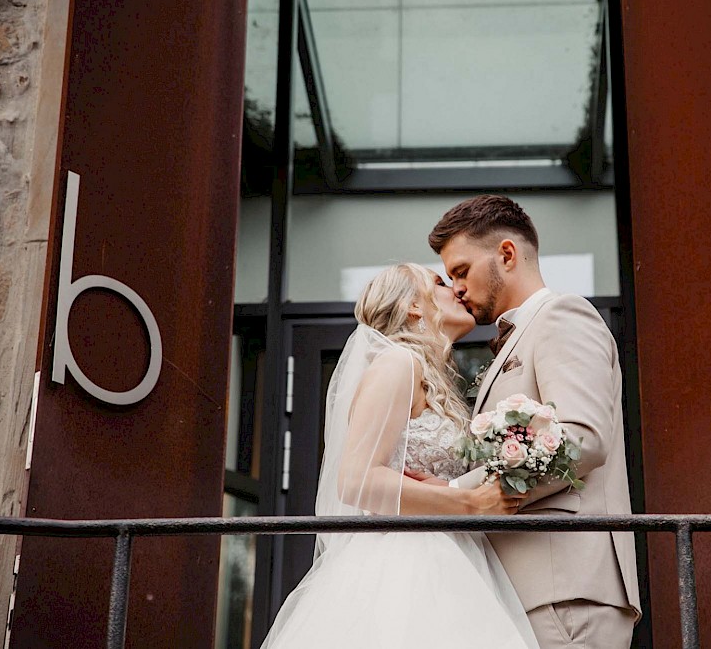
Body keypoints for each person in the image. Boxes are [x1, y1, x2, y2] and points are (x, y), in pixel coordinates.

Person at [260, 263, 539, 649]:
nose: (457, 291)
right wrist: (468, 501)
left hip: (455, 555)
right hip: (406, 563)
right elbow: (356, 481)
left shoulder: (429, 375)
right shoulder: (397, 364)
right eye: (440, 283)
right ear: (412, 306)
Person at [426, 195, 641, 648]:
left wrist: (455, 496)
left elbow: (582, 438)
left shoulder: (562, 315)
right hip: (527, 588)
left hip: (566, 587)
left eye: (461, 271)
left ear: (507, 254)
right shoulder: (512, 340)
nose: (456, 288)